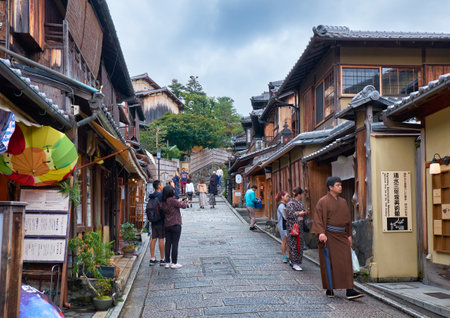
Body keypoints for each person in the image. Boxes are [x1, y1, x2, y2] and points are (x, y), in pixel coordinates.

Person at [312, 176, 364, 300]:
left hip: (342, 236)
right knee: (329, 262)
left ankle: (349, 289)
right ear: (330, 187)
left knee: (346, 262)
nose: (340, 187)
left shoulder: (343, 202)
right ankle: (330, 288)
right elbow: (318, 218)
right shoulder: (322, 201)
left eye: (341, 185)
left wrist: (349, 234)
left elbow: (347, 220)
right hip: (328, 236)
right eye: (337, 185)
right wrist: (321, 233)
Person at [160, 185, 187, 269]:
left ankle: (167, 262)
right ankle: (174, 263)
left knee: (168, 243)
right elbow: (183, 206)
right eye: (173, 190)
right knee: (175, 243)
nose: (174, 191)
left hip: (167, 224)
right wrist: (185, 201)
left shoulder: (163, 202)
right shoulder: (172, 200)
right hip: (175, 224)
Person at [285, 187, 308, 271]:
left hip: (300, 226)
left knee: (299, 244)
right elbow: (289, 215)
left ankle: (295, 261)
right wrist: (299, 213)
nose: (302, 196)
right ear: (299, 194)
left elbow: (303, 213)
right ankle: (294, 263)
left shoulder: (300, 203)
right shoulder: (290, 203)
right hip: (293, 227)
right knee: (293, 244)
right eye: (302, 194)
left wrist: (305, 213)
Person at [148, 180, 165, 266]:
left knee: (153, 238)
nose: (162, 186)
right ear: (159, 186)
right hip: (160, 219)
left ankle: (152, 258)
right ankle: (162, 259)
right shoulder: (161, 195)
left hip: (153, 220)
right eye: (161, 184)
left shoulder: (152, 196)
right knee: (161, 238)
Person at [275, 190, 290, 263]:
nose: (288, 197)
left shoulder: (284, 204)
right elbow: (285, 216)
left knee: (287, 241)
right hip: (283, 226)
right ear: (282, 197)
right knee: (284, 241)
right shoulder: (281, 206)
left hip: (286, 225)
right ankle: (285, 256)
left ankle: (288, 256)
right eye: (287, 196)